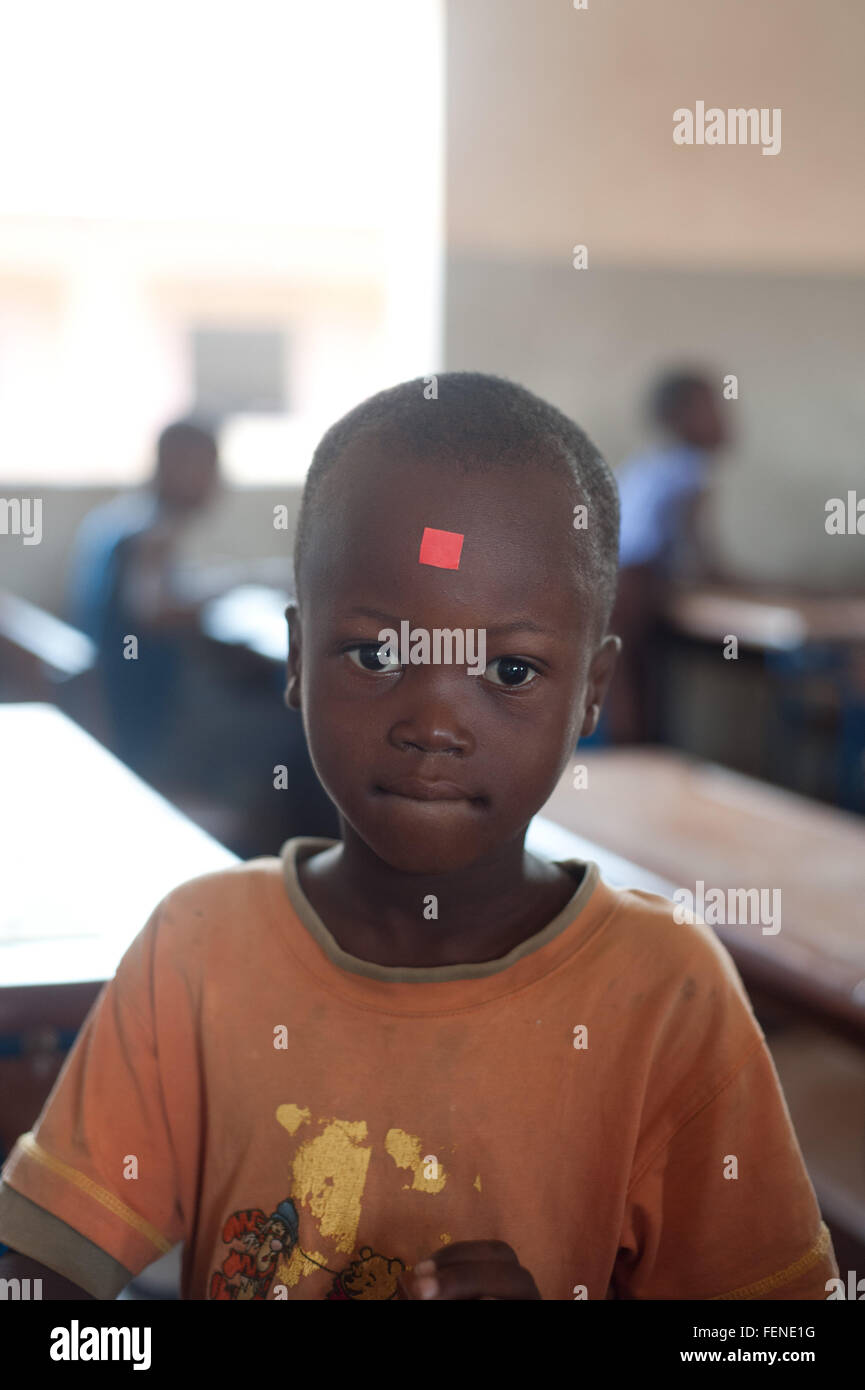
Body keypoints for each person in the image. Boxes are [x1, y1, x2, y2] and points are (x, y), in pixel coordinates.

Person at [0, 373, 835, 1300]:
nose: (434, 721)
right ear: (295, 659)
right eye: (374, 654)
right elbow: (41, 1290)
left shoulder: (666, 995)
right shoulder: (196, 951)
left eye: (510, 669)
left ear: (592, 691)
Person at [67, 418, 221, 781]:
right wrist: (220, 600)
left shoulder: (121, 516)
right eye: (209, 466)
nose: (217, 482)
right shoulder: (152, 533)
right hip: (132, 716)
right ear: (175, 463)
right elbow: (153, 612)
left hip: (107, 697)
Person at [602, 369, 730, 744]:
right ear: (678, 418)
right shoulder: (689, 469)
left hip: (610, 581)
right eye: (712, 407)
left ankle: (631, 767)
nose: (725, 418)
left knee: (624, 689)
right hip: (630, 586)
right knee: (633, 700)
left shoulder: (650, 462)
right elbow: (704, 561)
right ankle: (637, 768)